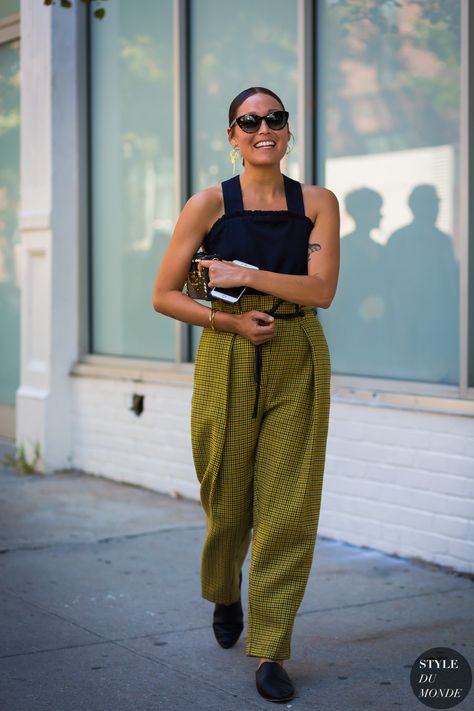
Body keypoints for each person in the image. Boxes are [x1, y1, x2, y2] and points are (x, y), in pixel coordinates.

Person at [152, 86, 340, 703]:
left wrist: (246, 276)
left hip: (297, 355)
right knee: (226, 497)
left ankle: (270, 648)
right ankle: (225, 589)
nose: (264, 128)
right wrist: (229, 319)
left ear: (288, 131)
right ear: (232, 136)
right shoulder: (207, 205)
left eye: (274, 119)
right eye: (249, 121)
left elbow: (320, 291)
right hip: (227, 354)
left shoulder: (317, 203)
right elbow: (165, 294)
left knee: (288, 507)